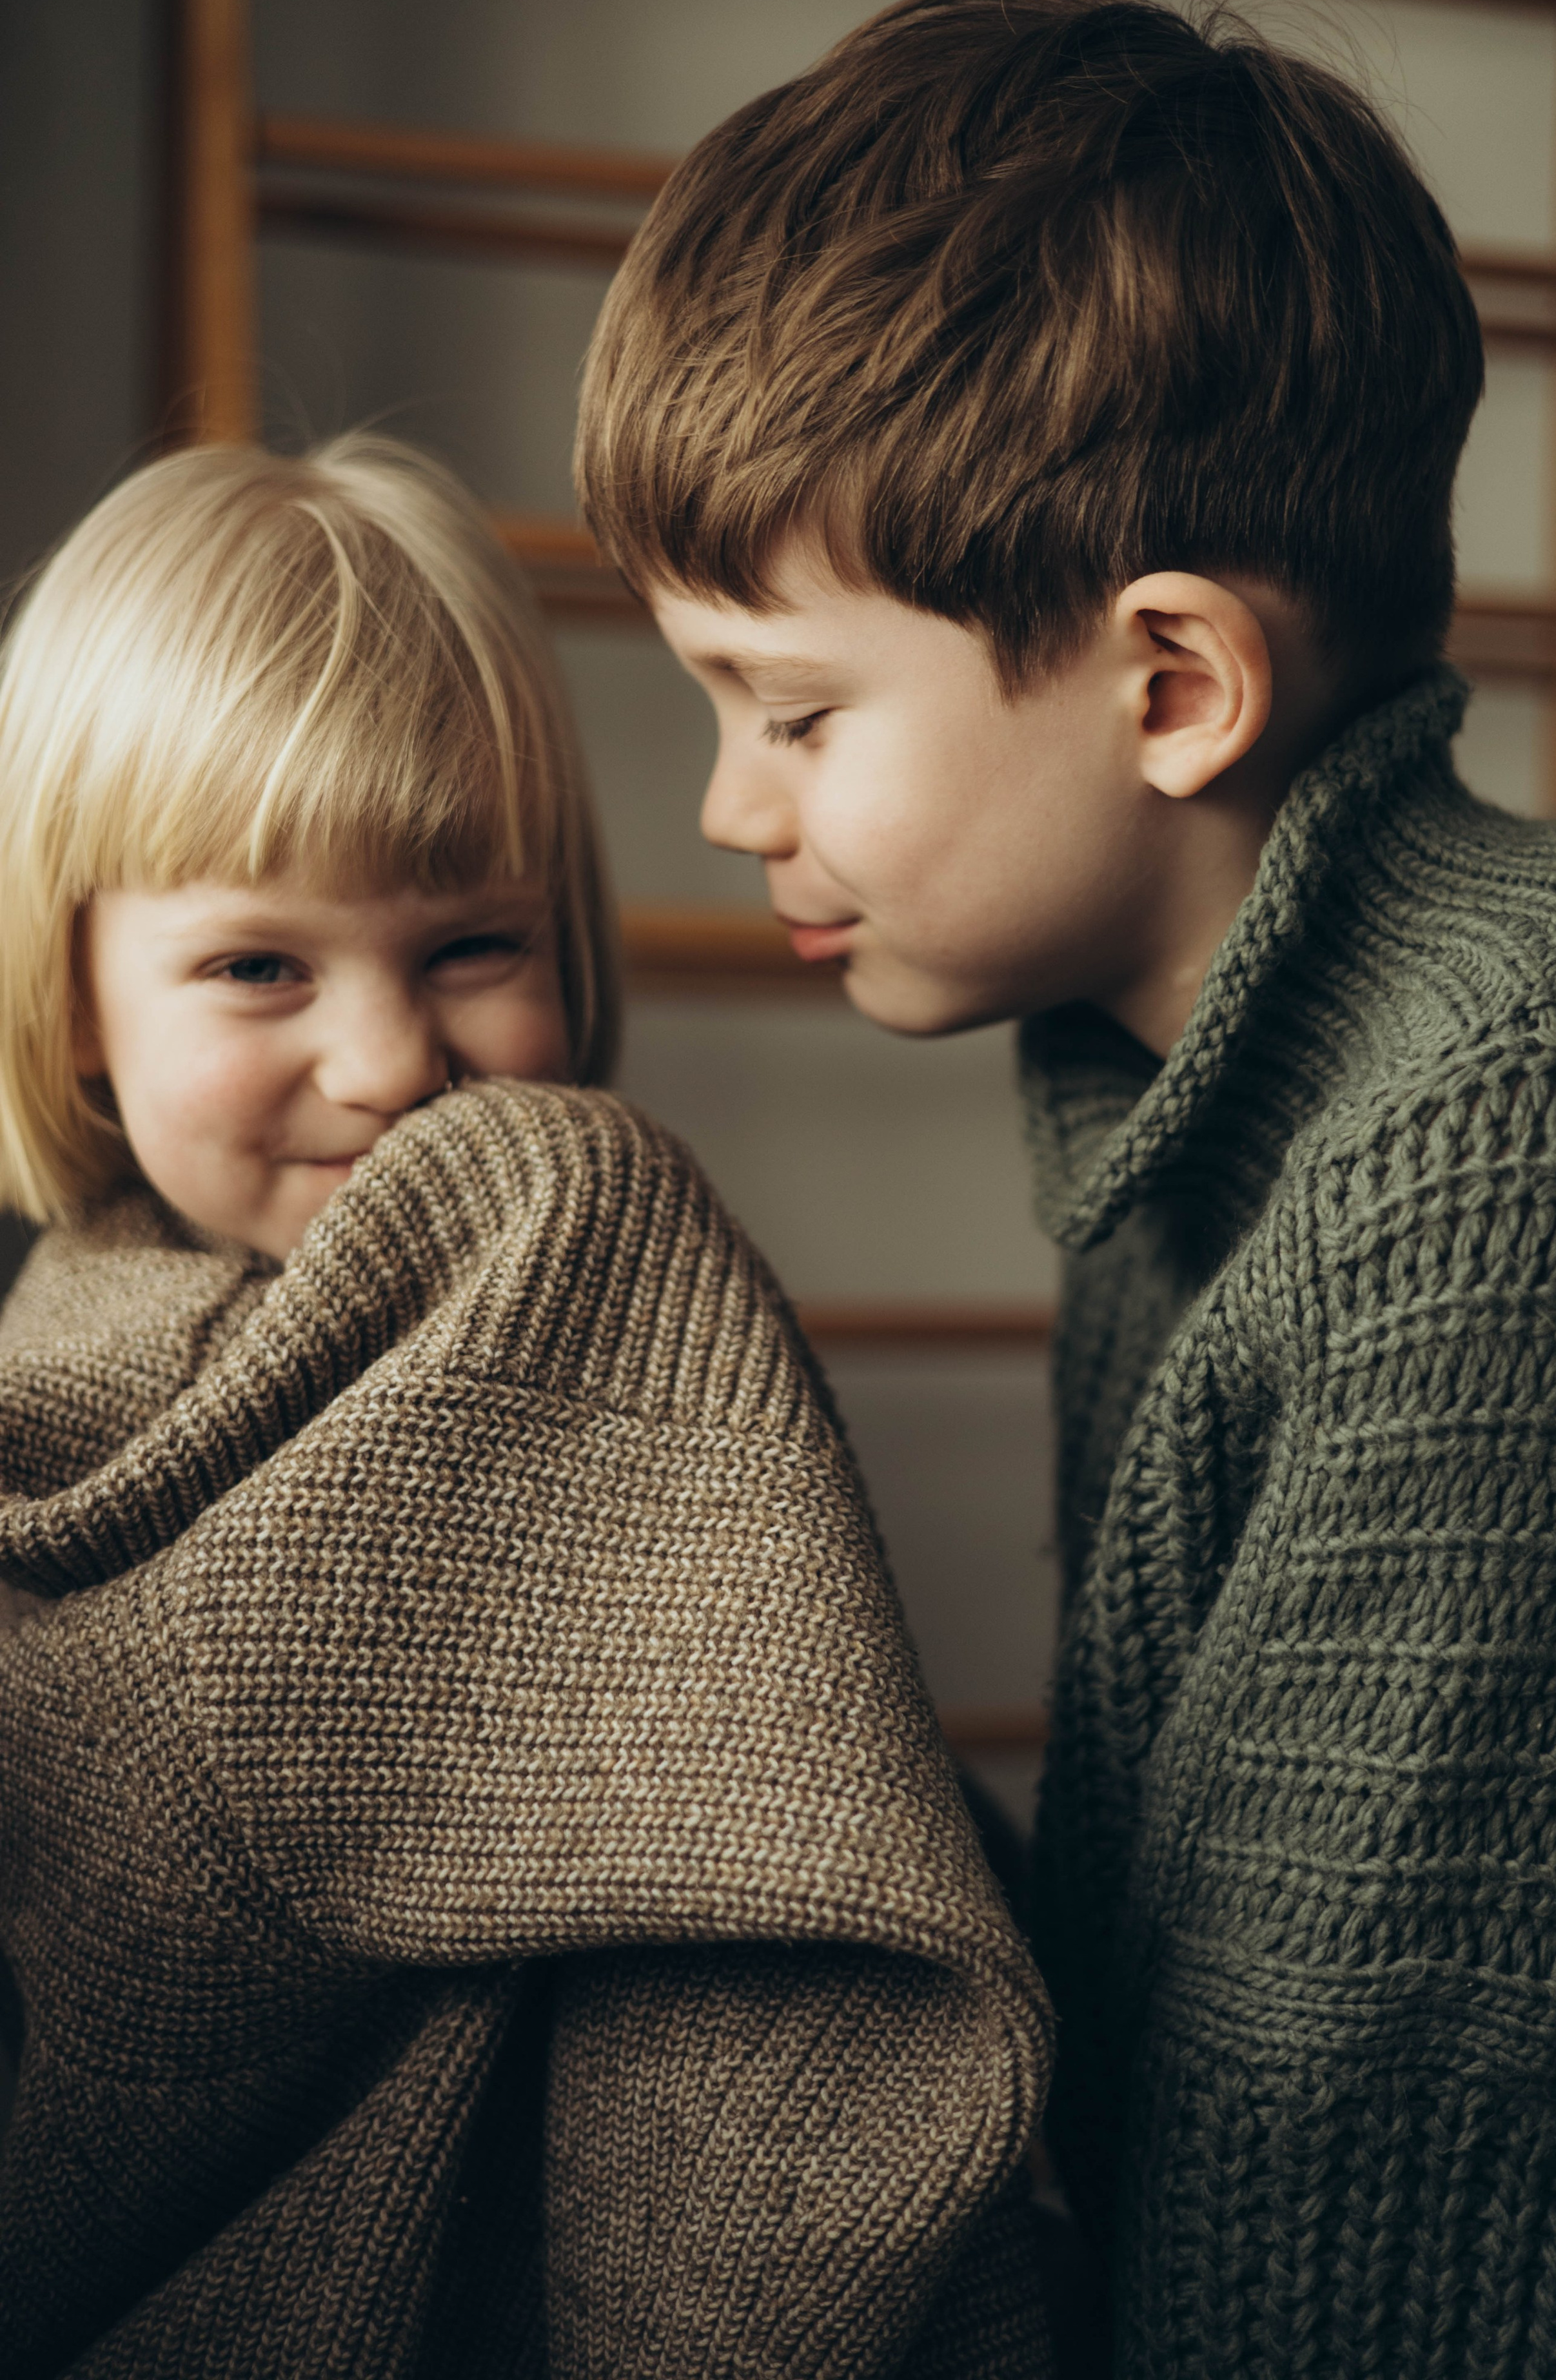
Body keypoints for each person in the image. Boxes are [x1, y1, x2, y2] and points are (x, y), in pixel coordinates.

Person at [576, 0, 1556, 2377]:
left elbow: (1333, 2129)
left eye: (797, 709)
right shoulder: (1191, 1100)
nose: (736, 810)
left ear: (1173, 686)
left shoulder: (1513, 1119)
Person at [0, 434, 1054, 2380]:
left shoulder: (592, 1258)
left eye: (470, 947)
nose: (390, 1062)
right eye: (255, 965)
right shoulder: (44, 1410)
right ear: (73, 1003)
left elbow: (803, 1790)